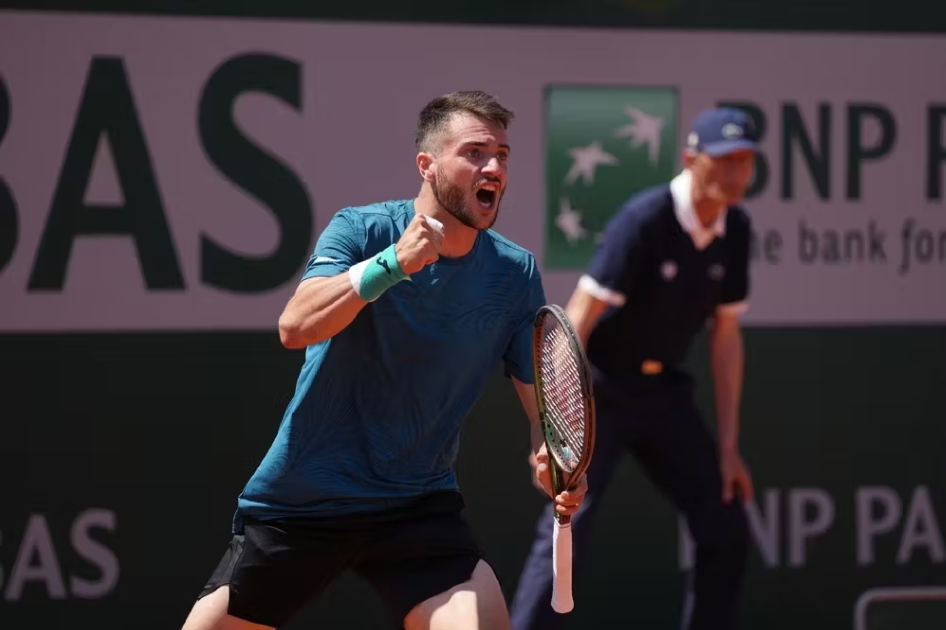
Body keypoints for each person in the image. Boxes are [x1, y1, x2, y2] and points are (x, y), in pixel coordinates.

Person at [179, 90, 588, 630]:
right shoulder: (362, 231)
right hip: (306, 501)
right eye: (474, 153)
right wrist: (392, 264)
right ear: (427, 165)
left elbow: (543, 414)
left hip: (416, 506)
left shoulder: (514, 274)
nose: (493, 167)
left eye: (503, 155)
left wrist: (550, 459)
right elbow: (295, 326)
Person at [509, 107, 758, 630]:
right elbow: (575, 318)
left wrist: (730, 448)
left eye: (745, 160)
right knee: (567, 524)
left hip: (665, 395)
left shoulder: (737, 228)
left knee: (726, 529)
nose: (737, 172)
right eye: (724, 160)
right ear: (692, 160)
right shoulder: (645, 218)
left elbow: (727, 338)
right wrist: (560, 422)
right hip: (600, 392)